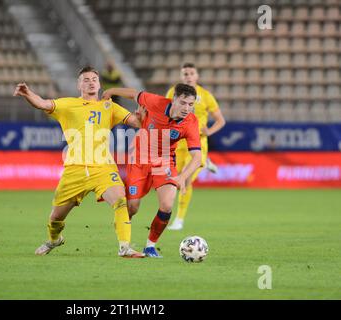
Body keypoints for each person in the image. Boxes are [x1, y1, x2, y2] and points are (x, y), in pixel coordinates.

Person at [13, 66, 144, 258]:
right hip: (75, 169)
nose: (91, 82)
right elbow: (42, 103)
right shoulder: (68, 104)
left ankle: (125, 247)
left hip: (103, 167)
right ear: (79, 85)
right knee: (56, 217)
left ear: (99, 84)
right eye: (86, 79)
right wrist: (27, 93)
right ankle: (54, 240)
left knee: (120, 201)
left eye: (94, 79)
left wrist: (143, 114)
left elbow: (137, 122)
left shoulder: (109, 107)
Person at [102, 84, 202, 257]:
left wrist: (182, 177)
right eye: (183, 103)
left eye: (191, 104)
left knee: (167, 204)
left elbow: (197, 157)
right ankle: (124, 243)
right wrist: (111, 91)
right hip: (139, 160)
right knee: (132, 207)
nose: (187, 108)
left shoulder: (191, 122)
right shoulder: (155, 102)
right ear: (174, 99)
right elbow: (134, 94)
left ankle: (150, 246)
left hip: (164, 163)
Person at [166, 63, 226, 231]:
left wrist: (209, 131)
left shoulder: (206, 96)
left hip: (198, 143)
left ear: (197, 76)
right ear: (181, 76)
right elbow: (167, 113)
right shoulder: (173, 92)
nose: (188, 76)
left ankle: (179, 219)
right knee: (174, 181)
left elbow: (221, 120)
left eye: (191, 73)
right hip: (178, 143)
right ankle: (205, 162)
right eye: (185, 73)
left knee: (185, 180)